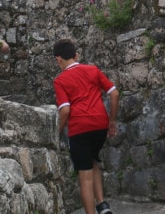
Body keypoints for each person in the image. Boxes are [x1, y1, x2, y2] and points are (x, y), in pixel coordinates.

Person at [53, 38, 119, 214]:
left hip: (79, 128)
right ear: (76, 55)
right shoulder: (93, 70)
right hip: (100, 125)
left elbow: (65, 110)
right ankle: (102, 205)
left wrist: (56, 132)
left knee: (85, 176)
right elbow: (114, 94)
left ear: (58, 59)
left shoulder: (60, 80)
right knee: (93, 160)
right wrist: (112, 121)